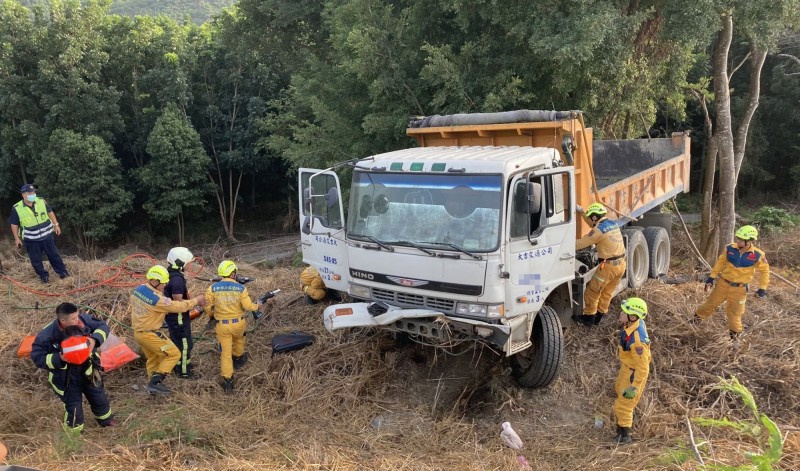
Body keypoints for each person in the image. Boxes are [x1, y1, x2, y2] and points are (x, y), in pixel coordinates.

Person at [30, 302, 116, 433]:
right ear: (63, 320)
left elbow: (102, 326)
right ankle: (74, 433)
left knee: (98, 397)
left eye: (77, 316)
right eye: (74, 319)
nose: (78, 320)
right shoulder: (46, 336)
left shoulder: (83, 320)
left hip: (88, 370)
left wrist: (95, 339)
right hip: (65, 377)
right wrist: (59, 358)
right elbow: (37, 357)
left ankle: (106, 420)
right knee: (73, 406)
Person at [130, 265, 205, 395]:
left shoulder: (139, 289)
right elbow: (177, 306)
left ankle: (152, 387)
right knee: (174, 354)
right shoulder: (156, 300)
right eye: (163, 283)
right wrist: (195, 301)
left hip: (139, 333)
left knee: (154, 358)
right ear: (154, 281)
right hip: (149, 334)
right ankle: (156, 382)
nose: (164, 286)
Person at [694, 225, 770, 342]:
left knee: (735, 314)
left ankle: (734, 340)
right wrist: (711, 278)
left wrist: (762, 289)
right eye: (737, 238)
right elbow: (720, 263)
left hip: (740, 290)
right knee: (709, 305)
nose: (737, 241)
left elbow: (765, 272)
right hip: (722, 284)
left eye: (740, 239)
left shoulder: (758, 255)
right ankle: (694, 323)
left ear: (749, 241)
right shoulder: (730, 249)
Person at [205, 260, 263, 394]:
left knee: (225, 353)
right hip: (238, 323)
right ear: (232, 274)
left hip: (222, 325)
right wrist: (257, 306)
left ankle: (228, 381)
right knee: (239, 340)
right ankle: (237, 358)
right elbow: (248, 306)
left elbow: (207, 305)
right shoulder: (241, 288)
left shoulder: (212, 288)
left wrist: (211, 315)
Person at [572, 202, 626, 326]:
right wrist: (582, 213)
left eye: (591, 217)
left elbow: (581, 243)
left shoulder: (598, 230)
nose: (591, 220)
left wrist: (563, 245)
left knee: (592, 291)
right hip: (621, 264)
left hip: (608, 267)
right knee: (607, 292)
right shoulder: (612, 224)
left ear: (595, 217)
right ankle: (599, 316)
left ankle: (589, 318)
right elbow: (593, 224)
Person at [8, 184, 69, 283]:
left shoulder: (41, 201)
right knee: (36, 261)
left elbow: (50, 212)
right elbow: (13, 224)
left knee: (55, 256)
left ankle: (63, 274)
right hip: (31, 240)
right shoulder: (17, 208)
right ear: (23, 195)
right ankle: (44, 277)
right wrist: (16, 238)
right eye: (30, 193)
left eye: (33, 192)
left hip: (47, 236)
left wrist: (56, 224)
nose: (33, 194)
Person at [612, 297, 651, 444]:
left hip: (634, 374)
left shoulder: (637, 341)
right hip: (627, 367)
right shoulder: (633, 325)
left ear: (633, 317)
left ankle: (624, 434)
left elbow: (643, 368)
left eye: (624, 312)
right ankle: (628, 415)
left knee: (623, 404)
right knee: (618, 390)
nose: (621, 314)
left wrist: (634, 387)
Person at [164, 247, 196, 378]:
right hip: (178, 318)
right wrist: (196, 301)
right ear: (180, 263)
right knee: (184, 344)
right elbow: (178, 301)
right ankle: (184, 372)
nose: (190, 265)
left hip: (172, 318)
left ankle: (179, 365)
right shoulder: (177, 279)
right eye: (188, 263)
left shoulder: (169, 274)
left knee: (177, 342)